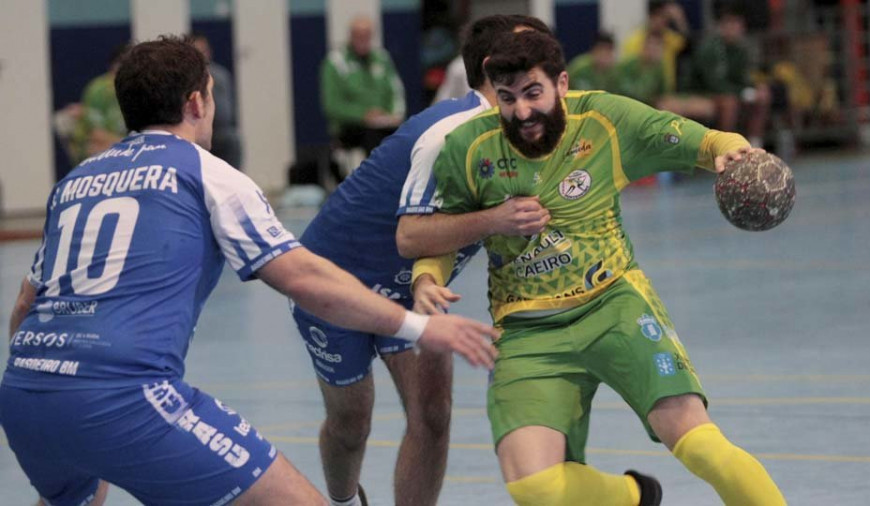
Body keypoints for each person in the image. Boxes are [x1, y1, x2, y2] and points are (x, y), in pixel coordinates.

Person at [0, 36, 498, 506]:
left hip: (25, 393)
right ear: (197, 102)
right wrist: (418, 325)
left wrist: (57, 385)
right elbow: (306, 279)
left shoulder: (76, 182)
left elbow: (25, 306)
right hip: (124, 394)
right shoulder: (206, 172)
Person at [405, 30, 787, 505]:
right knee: (533, 486)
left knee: (702, 446)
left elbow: (698, 139)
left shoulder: (605, 119)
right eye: (507, 99)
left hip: (615, 306)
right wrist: (427, 277)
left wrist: (732, 149)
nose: (521, 111)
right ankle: (633, 496)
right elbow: (444, 231)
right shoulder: (467, 147)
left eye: (532, 93)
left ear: (562, 83)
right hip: (526, 331)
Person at [293, 15, 553, 506]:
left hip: (417, 286)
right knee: (353, 421)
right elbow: (411, 237)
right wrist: (499, 218)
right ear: (494, 68)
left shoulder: (527, 127)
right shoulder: (453, 130)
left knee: (432, 414)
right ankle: (345, 502)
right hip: (334, 280)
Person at [320, 15, 405, 160]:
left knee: (405, 134)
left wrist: (394, 115)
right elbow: (332, 105)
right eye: (359, 36)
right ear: (351, 36)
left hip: (384, 123)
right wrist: (363, 115)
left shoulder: (382, 58)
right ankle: (374, 180)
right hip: (352, 128)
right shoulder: (335, 62)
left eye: (367, 36)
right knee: (373, 137)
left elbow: (396, 91)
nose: (363, 40)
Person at [689, 4, 771, 147]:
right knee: (729, 103)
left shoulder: (741, 50)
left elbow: (743, 79)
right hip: (702, 92)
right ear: (721, 26)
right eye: (730, 23)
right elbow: (713, 83)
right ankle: (726, 148)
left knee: (763, 96)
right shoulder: (710, 48)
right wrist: (744, 93)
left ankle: (755, 144)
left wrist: (755, 89)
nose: (734, 28)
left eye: (737, 24)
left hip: (730, 92)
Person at [68, 43, 131, 164]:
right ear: (114, 67)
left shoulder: (137, 90)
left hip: (124, 148)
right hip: (96, 151)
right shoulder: (98, 90)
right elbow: (97, 135)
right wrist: (134, 146)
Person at [191, 33, 243, 169]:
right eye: (198, 51)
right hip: (196, 130)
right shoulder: (187, 76)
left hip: (222, 132)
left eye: (204, 51)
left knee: (233, 139)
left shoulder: (221, 75)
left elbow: (230, 106)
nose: (202, 55)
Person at [622, 0, 690, 93]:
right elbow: (628, 74)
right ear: (650, 16)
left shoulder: (670, 37)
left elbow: (688, 44)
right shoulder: (634, 41)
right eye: (658, 16)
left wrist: (680, 19)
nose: (661, 21)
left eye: (665, 17)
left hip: (667, 94)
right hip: (641, 93)